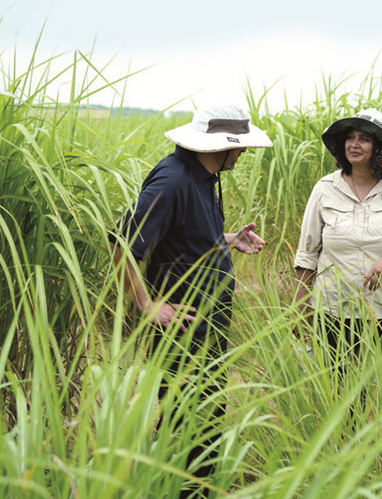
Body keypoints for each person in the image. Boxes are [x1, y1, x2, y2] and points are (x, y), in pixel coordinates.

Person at [108, 104, 272, 498]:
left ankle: (194, 490)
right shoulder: (173, 179)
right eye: (240, 146)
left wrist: (228, 239)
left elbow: (185, 236)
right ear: (221, 145)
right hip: (182, 328)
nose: (244, 153)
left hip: (209, 323)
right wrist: (148, 305)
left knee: (205, 415)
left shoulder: (204, 176)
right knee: (187, 419)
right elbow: (121, 243)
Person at [293, 108, 382, 423]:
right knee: (343, 390)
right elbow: (307, 253)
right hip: (334, 308)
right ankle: (346, 453)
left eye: (365, 139)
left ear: (379, 147)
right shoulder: (325, 189)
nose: (354, 144)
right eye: (350, 138)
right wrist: (300, 308)